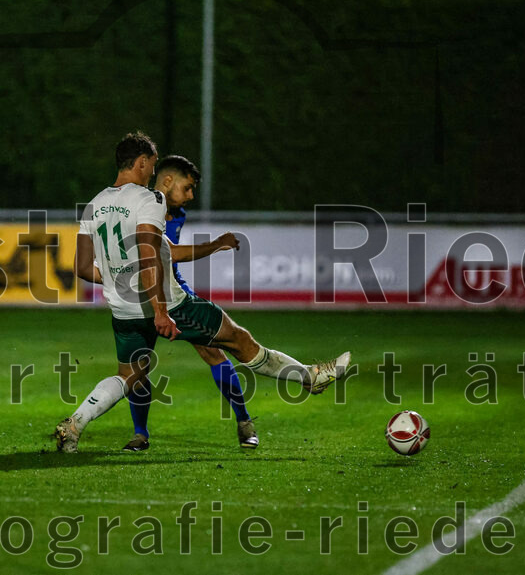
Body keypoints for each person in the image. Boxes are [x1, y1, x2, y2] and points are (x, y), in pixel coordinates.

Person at [54, 131, 350, 453]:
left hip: (123, 311)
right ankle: (310, 378)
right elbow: (150, 254)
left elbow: (84, 268)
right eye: (151, 167)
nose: (151, 174)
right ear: (141, 163)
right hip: (171, 305)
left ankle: (74, 425)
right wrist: (160, 310)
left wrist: (119, 281)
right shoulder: (149, 200)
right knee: (238, 340)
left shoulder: (94, 205)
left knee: (128, 376)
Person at [124, 155, 257, 451]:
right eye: (187, 187)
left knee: (213, 352)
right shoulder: (139, 207)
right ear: (168, 180)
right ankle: (139, 433)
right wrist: (216, 244)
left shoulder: (175, 213)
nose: (191, 196)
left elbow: (170, 257)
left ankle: (244, 422)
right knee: (138, 366)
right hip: (141, 295)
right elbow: (176, 253)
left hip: (174, 295)